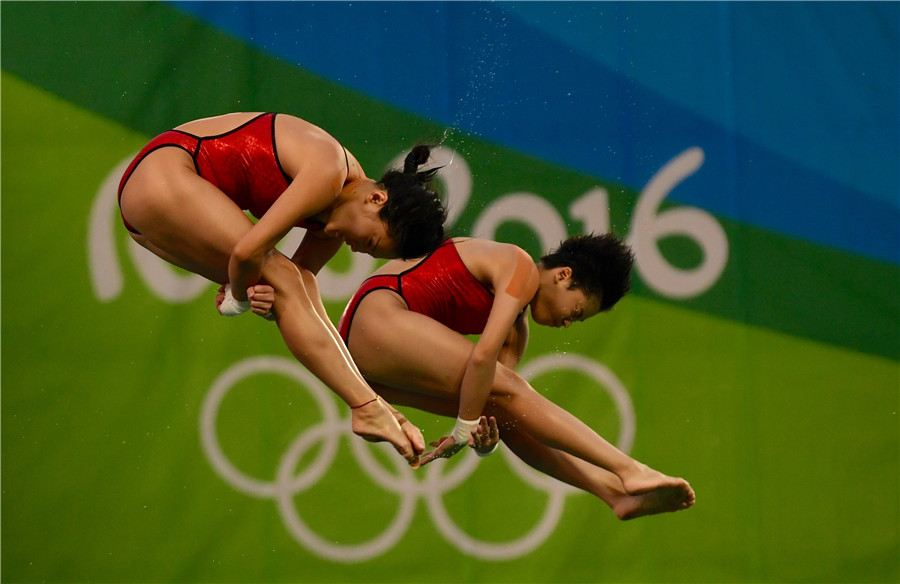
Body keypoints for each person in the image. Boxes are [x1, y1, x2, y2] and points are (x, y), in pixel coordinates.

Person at [117, 111, 447, 465]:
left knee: (291, 283)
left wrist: (254, 291)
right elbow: (247, 254)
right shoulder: (328, 171)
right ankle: (364, 407)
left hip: (146, 217)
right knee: (282, 276)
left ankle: (371, 404)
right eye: (368, 242)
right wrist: (240, 293)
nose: (355, 249)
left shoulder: (335, 221)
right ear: (376, 200)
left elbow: (292, 298)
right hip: (162, 173)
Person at [337, 234, 695, 518]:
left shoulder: (516, 329)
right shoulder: (519, 266)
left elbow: (491, 409)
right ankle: (628, 469)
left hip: (369, 373)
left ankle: (612, 493)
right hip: (374, 317)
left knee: (509, 412)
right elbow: (482, 358)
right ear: (564, 275)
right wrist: (462, 430)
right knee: (511, 389)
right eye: (576, 311)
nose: (568, 324)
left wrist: (484, 441)